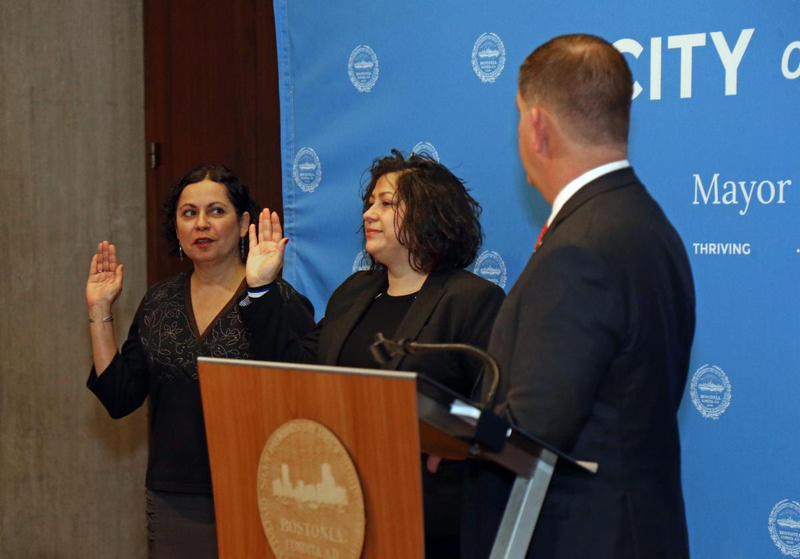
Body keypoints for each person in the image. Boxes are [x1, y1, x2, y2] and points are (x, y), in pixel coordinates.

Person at [462, 34, 696, 558]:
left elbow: (534, 430)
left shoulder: (582, 247)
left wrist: (447, 432)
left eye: (519, 115)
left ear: (539, 125)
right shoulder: (650, 225)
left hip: (581, 538)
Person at [241, 150, 506, 557]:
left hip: (426, 516)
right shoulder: (354, 292)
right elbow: (296, 369)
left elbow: (493, 412)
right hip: (338, 509)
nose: (369, 213)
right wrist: (260, 290)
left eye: (386, 203)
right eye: (369, 203)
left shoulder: (471, 300)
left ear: (429, 214)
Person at [85, 164, 314, 558]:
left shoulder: (279, 301)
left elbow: (299, 395)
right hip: (175, 497)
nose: (201, 224)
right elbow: (119, 398)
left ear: (244, 225)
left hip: (262, 492)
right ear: (176, 228)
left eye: (216, 212)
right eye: (189, 213)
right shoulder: (159, 302)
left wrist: (262, 290)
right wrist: (99, 311)